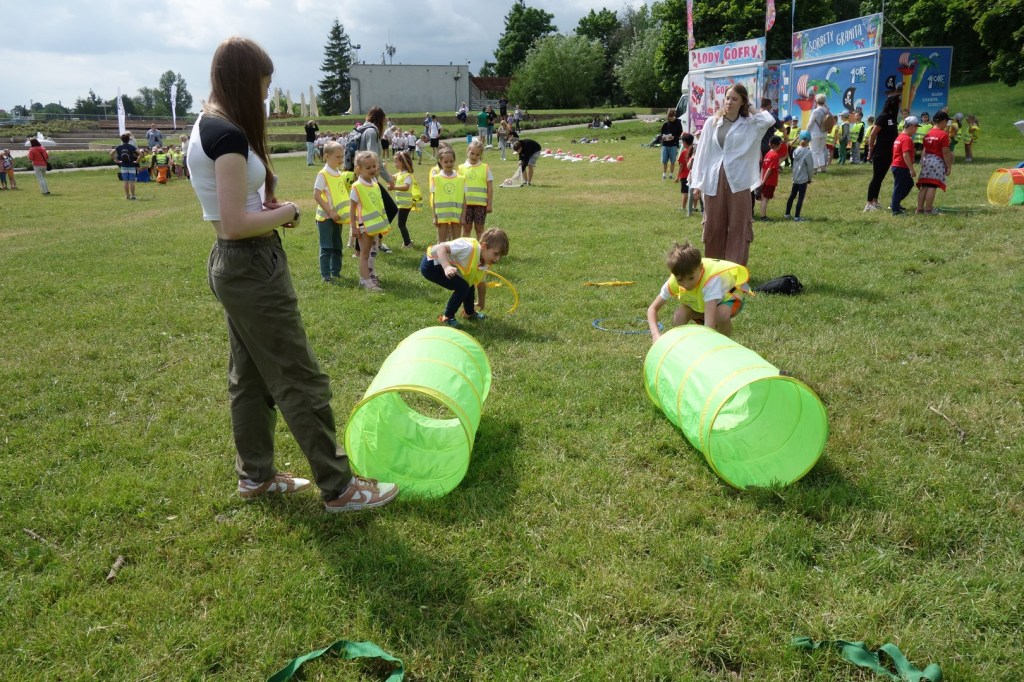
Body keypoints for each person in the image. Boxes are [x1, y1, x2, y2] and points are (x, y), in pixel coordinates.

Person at [185, 36, 398, 512]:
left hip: (233, 264)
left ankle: (256, 477)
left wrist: (269, 208)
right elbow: (235, 224)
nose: (265, 95)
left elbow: (228, 213)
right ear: (244, 80)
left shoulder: (206, 124)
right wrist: (290, 211)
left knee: (250, 378)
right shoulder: (227, 135)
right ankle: (340, 487)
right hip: (250, 263)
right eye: (263, 85)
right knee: (299, 377)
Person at [688, 83, 775, 266]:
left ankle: (735, 268)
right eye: (727, 98)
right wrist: (697, 183)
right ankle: (714, 267)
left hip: (739, 180)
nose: (729, 102)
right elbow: (702, 153)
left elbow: (768, 121)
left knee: (739, 225)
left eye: (735, 99)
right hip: (714, 179)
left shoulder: (749, 124)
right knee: (713, 224)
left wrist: (750, 108)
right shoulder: (712, 123)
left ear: (743, 102)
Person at [646, 241, 750, 342]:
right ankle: (681, 344)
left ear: (700, 268)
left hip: (729, 299)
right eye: (680, 280)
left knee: (720, 315)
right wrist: (656, 335)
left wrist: (706, 346)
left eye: (691, 278)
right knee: (679, 315)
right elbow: (652, 309)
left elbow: (709, 325)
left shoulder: (710, 281)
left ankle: (723, 344)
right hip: (703, 305)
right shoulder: (672, 282)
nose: (686, 284)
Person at [420, 227, 509, 327]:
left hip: (446, 266)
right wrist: (446, 266)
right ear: (484, 246)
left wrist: (481, 302)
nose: (497, 259)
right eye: (496, 254)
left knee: (468, 283)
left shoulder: (485, 262)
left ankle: (469, 313)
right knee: (462, 286)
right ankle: (447, 317)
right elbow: (440, 248)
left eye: (500, 256)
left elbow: (481, 283)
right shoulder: (467, 247)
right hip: (432, 264)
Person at [313, 140, 354, 283]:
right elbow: (316, 195)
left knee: (337, 245)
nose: (341, 159)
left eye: (342, 156)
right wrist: (330, 212)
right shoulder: (323, 174)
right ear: (326, 156)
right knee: (326, 247)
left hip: (338, 217)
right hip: (326, 217)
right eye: (337, 157)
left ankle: (335, 272)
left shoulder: (338, 173)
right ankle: (326, 276)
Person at [349, 150, 390, 292]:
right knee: (364, 254)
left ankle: (370, 275)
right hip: (364, 226)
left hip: (374, 226)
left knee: (373, 252)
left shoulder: (374, 183)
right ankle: (365, 281)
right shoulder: (357, 186)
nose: (372, 169)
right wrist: (353, 227)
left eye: (374, 166)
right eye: (368, 167)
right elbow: (352, 208)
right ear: (359, 169)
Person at [864, 95, 901, 211]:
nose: (899, 106)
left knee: (881, 178)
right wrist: (870, 149)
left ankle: (875, 201)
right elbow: (873, 134)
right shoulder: (883, 116)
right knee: (876, 177)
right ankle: (869, 203)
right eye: (898, 104)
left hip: (889, 152)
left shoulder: (893, 118)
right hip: (880, 152)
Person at [916, 111, 953, 214]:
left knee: (924, 185)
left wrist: (922, 160)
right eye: (946, 122)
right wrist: (949, 166)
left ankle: (919, 208)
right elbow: (945, 152)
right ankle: (928, 209)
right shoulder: (943, 135)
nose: (946, 125)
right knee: (932, 186)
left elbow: (924, 149)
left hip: (926, 161)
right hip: (937, 162)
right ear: (943, 121)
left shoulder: (928, 132)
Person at [460, 139, 493, 239]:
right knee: (466, 228)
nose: (474, 156)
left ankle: (481, 248)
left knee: (479, 229)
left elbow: (490, 187)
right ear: (467, 152)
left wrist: (489, 204)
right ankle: (464, 248)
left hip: (481, 206)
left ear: (481, 155)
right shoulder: (460, 168)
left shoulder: (485, 168)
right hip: (465, 205)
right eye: (472, 153)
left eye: (477, 154)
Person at [431, 146, 466, 243]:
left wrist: (463, 216)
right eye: (446, 162)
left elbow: (464, 199)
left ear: (454, 160)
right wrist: (434, 216)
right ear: (440, 162)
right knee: (441, 242)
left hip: (456, 216)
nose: (449, 164)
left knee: (457, 242)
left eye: (451, 161)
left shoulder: (461, 179)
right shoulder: (436, 178)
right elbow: (434, 199)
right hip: (441, 216)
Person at [890, 115, 919, 215]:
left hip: (896, 165)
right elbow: (905, 155)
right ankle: (895, 208)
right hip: (901, 166)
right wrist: (911, 169)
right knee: (899, 187)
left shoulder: (899, 137)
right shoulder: (906, 139)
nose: (916, 130)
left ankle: (895, 203)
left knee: (908, 184)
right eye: (916, 127)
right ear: (911, 126)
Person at [391, 151, 419, 248]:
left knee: (401, 224)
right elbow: (391, 178)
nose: (394, 164)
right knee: (401, 224)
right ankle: (408, 241)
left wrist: (393, 187)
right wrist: (383, 169)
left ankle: (407, 243)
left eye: (396, 162)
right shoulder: (400, 174)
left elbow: (406, 187)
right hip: (401, 204)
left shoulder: (407, 175)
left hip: (405, 205)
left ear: (402, 162)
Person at [785, 131, 814, 221]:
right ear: (809, 140)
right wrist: (809, 178)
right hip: (803, 178)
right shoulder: (808, 152)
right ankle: (797, 217)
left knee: (792, 196)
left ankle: (787, 214)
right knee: (800, 198)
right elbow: (810, 167)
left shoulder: (795, 150)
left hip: (795, 177)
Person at [758, 136, 783, 221]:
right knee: (765, 199)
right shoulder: (775, 155)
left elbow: (763, 168)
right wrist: (764, 181)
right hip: (770, 181)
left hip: (765, 180)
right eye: (780, 144)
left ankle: (762, 215)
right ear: (777, 145)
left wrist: (762, 179)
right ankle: (763, 217)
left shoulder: (768, 154)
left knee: (763, 198)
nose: (781, 145)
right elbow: (769, 169)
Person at [109, 132, 138, 200]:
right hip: (131, 165)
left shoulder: (119, 147)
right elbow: (140, 154)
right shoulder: (131, 147)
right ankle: (133, 196)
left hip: (123, 166)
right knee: (132, 181)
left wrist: (117, 160)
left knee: (125, 181)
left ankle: (127, 196)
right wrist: (137, 161)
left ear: (121, 140)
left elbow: (111, 154)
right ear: (129, 139)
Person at [659, 108, 683, 180]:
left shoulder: (678, 123)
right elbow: (661, 134)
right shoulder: (665, 124)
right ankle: (664, 174)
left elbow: (680, 134)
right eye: (669, 117)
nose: (671, 118)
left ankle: (671, 175)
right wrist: (663, 138)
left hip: (673, 145)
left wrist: (674, 137)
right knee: (664, 161)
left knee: (672, 161)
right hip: (665, 145)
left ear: (674, 116)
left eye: (672, 117)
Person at [807, 94, 829, 173]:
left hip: (815, 133)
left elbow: (810, 124)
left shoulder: (815, 111)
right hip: (824, 133)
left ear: (816, 101)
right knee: (820, 151)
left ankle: (814, 168)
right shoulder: (826, 110)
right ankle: (822, 168)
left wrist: (807, 130)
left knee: (814, 151)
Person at [675, 133, 695, 214]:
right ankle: (694, 207)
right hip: (694, 175)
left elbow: (681, 166)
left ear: (684, 142)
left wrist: (677, 176)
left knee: (685, 192)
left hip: (685, 176)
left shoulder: (684, 152)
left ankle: (683, 207)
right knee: (694, 191)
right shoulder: (695, 151)